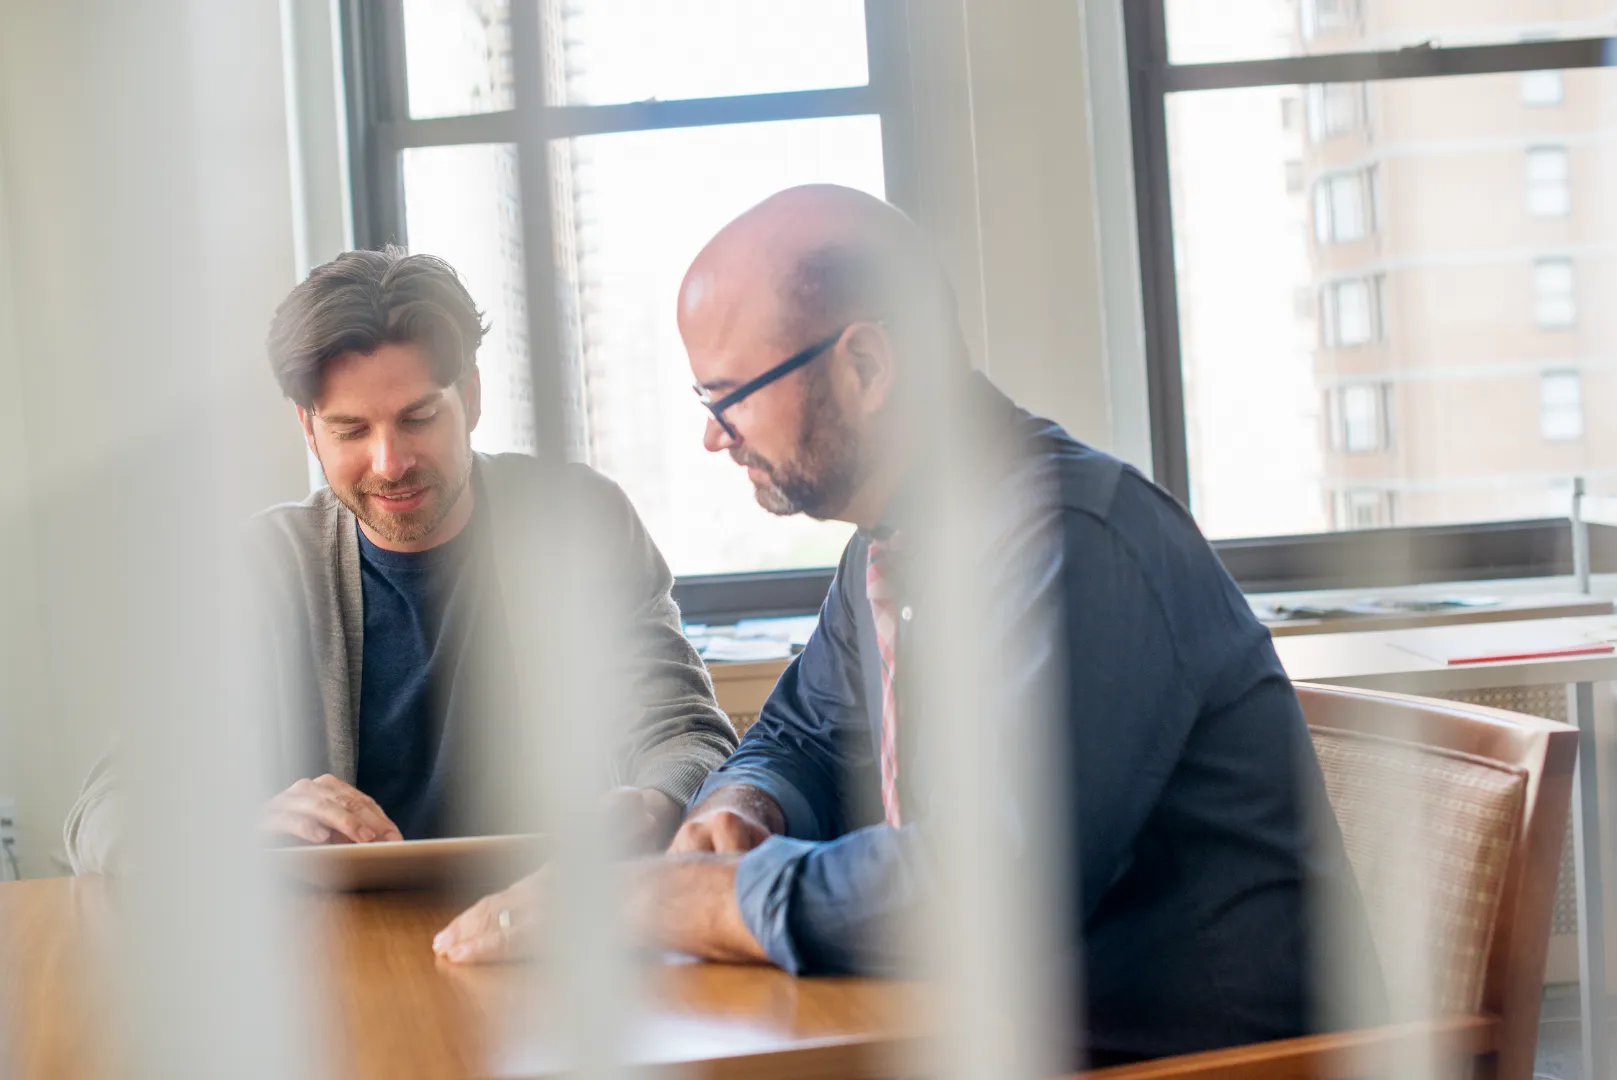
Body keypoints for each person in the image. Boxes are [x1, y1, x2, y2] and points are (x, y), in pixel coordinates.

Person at [433, 186, 1381, 1065]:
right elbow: (801, 736)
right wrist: (743, 808)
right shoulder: (890, 545)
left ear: (866, 364)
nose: (714, 436)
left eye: (730, 396)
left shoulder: (1074, 542)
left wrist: (690, 899)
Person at [63, 249, 737, 873]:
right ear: (308, 427)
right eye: (350, 430)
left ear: (469, 398)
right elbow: (104, 813)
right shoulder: (255, 570)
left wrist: (654, 802)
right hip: (338, 950)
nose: (390, 463)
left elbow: (686, 735)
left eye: (418, 418)